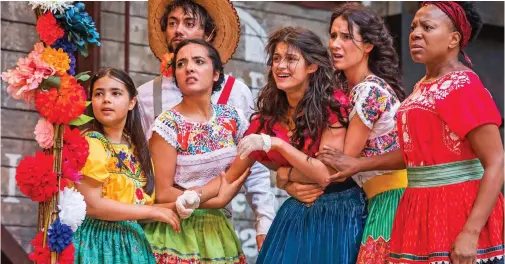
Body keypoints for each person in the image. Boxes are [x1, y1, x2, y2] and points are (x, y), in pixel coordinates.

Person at [318, 2, 504, 264]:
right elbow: (412, 154)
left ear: (454, 39)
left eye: (428, 27)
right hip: (418, 207)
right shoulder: (421, 86)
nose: (416, 33)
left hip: (456, 209)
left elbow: (496, 161)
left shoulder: (463, 85)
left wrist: (471, 232)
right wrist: (358, 164)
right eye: (414, 26)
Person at [192, 26, 367, 263]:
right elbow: (231, 176)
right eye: (276, 58)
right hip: (298, 208)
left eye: (291, 59)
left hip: (340, 212)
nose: (281, 66)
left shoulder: (331, 104)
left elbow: (326, 174)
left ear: (312, 66)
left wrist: (280, 153)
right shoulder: (268, 119)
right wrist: (188, 197)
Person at [138, 0, 275, 249]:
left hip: (217, 225)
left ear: (209, 34)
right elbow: (137, 163)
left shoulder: (235, 95)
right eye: (172, 23)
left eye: (189, 23)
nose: (179, 30)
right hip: (164, 222)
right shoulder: (146, 96)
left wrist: (264, 221)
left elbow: (253, 164)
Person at [142, 39, 250, 263]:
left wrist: (209, 194)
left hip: (218, 229)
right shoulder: (168, 125)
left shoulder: (233, 118)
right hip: (176, 228)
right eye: (181, 64)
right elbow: (162, 192)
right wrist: (217, 200)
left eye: (198, 61)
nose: (188, 68)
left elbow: (244, 166)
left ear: (216, 74)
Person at [73, 68, 180, 264]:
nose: (106, 99)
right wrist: (153, 211)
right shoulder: (91, 143)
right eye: (99, 93)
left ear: (132, 102)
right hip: (97, 243)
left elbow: (138, 208)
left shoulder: (137, 150)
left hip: (131, 245)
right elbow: (92, 205)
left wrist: (178, 206)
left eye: (116, 93)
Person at [328, 3, 406, 263]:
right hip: (381, 198)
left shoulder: (368, 92)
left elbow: (341, 163)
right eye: (333, 35)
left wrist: (285, 170)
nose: (335, 44)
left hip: (393, 201)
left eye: (346, 37)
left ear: (369, 45)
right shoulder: (358, 90)